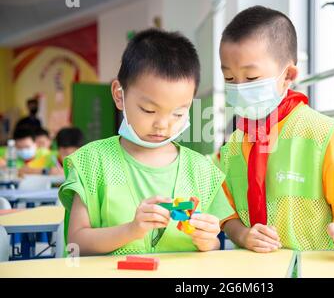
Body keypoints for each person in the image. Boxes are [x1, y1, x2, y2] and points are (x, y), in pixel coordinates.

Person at [58, 28, 235, 256]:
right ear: (119, 95)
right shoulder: (92, 163)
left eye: (178, 113)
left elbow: (215, 245)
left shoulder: (202, 170)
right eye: (149, 110)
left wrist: (207, 242)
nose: (163, 124)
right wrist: (131, 230)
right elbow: (76, 244)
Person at [219, 6, 334, 254]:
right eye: (230, 79)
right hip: (253, 274)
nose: (240, 88)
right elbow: (225, 213)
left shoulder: (322, 133)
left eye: (252, 78)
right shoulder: (234, 142)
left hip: (314, 268)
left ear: (288, 75)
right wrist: (243, 235)